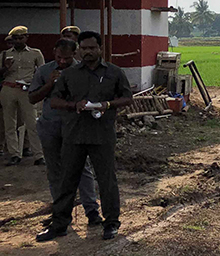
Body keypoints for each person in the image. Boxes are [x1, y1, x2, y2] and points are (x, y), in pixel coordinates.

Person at [36, 31, 133, 242]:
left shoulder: (114, 73)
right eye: (84, 48)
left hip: (102, 135)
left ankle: (111, 223)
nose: (88, 52)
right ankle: (60, 224)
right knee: (66, 181)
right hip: (74, 134)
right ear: (78, 49)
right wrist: (74, 105)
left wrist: (108, 104)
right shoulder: (70, 74)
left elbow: (127, 98)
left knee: (106, 180)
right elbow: (55, 101)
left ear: (100, 49)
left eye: (92, 48)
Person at [28, 38, 102, 227]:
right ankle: (60, 212)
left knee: (81, 168)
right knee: (55, 171)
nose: (62, 62)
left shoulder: (83, 71)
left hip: (75, 127)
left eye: (67, 58)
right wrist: (49, 84)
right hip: (50, 126)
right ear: (54, 52)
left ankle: (91, 210)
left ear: (75, 54)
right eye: (59, 57)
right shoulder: (44, 71)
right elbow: (32, 98)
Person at [0, 26, 45, 166]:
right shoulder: (4, 55)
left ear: (27, 37)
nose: (19, 41)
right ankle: (14, 154)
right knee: (9, 123)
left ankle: (38, 155)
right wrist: (5, 67)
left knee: (32, 123)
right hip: (8, 87)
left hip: (26, 89)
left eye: (21, 38)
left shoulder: (35, 53)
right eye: (16, 38)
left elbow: (41, 72)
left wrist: (35, 86)